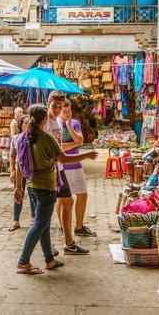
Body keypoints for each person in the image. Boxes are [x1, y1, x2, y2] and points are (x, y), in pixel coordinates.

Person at [15, 105, 99, 274]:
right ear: (44, 119)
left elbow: (19, 164)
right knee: (39, 224)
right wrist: (87, 154)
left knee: (44, 224)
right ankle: (24, 261)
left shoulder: (23, 137)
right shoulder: (47, 138)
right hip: (46, 186)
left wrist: (18, 187)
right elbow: (64, 159)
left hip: (32, 186)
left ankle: (49, 260)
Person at [46, 91, 88, 255]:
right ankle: (46, 246)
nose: (57, 109)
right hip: (48, 170)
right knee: (46, 209)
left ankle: (69, 243)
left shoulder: (57, 125)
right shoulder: (44, 123)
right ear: (48, 104)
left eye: (60, 106)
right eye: (55, 106)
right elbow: (60, 151)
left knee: (68, 201)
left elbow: (62, 149)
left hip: (59, 168)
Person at [60, 99, 96, 237]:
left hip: (76, 165)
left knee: (82, 194)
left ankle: (79, 227)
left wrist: (69, 126)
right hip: (62, 166)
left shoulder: (74, 123)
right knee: (63, 200)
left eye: (69, 110)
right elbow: (59, 147)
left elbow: (80, 141)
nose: (67, 113)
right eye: (64, 110)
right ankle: (63, 228)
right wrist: (73, 144)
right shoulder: (55, 124)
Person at [9, 115, 35, 231]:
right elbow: (12, 155)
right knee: (18, 194)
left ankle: (34, 218)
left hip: (31, 170)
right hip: (19, 170)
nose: (27, 125)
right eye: (25, 123)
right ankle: (16, 220)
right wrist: (11, 171)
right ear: (20, 125)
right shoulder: (15, 138)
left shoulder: (34, 137)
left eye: (29, 123)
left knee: (32, 194)